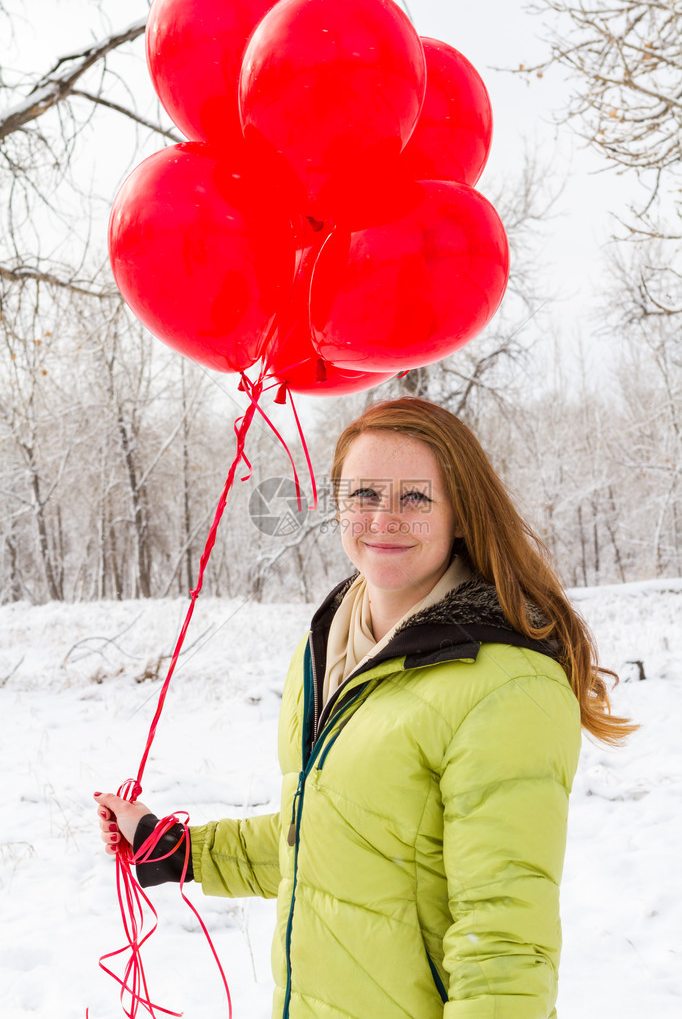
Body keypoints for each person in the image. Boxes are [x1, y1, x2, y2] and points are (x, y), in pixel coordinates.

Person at [95, 396, 634, 1019]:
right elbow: (333, 837)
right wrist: (179, 851)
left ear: (461, 513)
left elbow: (505, 944)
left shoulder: (507, 687)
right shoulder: (329, 648)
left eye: (415, 498)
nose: (384, 518)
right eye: (364, 495)